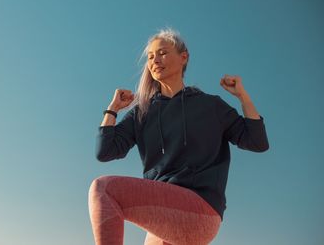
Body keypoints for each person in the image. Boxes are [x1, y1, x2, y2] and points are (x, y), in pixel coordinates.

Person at [88, 28, 269, 245]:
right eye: (151, 57)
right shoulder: (142, 112)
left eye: (162, 52)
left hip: (200, 207)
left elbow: (257, 142)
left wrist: (243, 96)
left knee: (104, 189)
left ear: (184, 57)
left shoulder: (210, 105)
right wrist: (112, 110)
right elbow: (105, 151)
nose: (155, 60)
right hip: (164, 214)